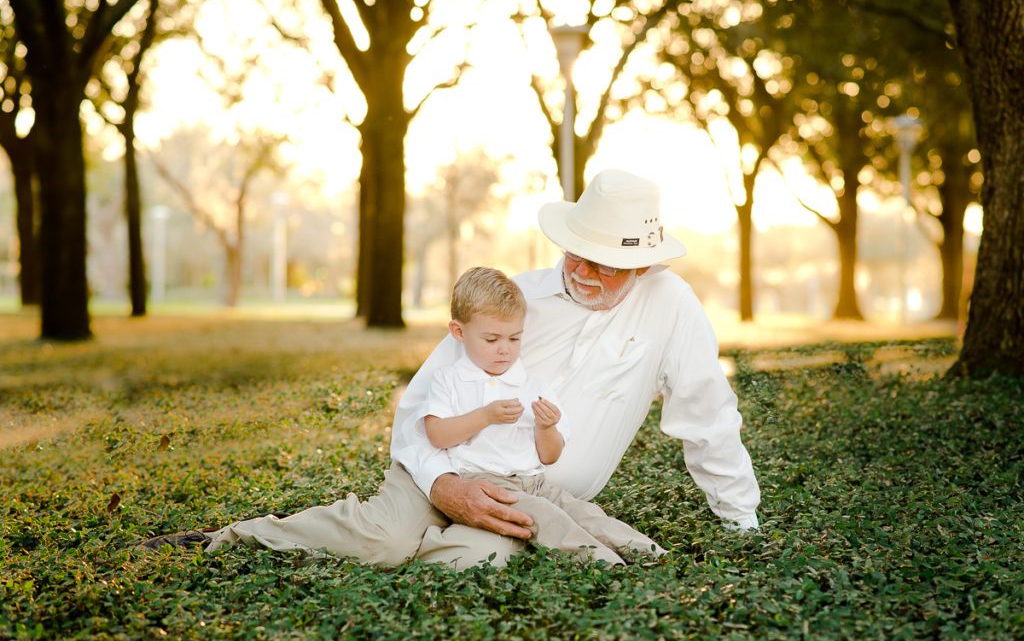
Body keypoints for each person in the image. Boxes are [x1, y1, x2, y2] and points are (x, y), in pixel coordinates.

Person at [143, 168, 760, 570]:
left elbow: (707, 416)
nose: (585, 273)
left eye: (607, 266)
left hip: (526, 488)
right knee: (382, 539)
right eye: (579, 254)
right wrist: (443, 484)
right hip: (438, 466)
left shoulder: (673, 307)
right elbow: (419, 408)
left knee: (472, 565)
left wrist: (741, 528)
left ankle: (434, 546)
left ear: (645, 266)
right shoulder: (515, 300)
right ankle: (234, 539)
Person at [418, 266, 664, 565]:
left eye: (514, 339)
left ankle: (650, 552)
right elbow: (437, 435)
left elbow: (549, 455)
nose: (504, 351)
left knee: (583, 512)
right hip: (488, 482)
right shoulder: (449, 379)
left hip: (534, 480)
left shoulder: (531, 385)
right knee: (549, 520)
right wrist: (485, 416)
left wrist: (546, 427)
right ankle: (604, 563)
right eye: (492, 340)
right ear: (459, 332)